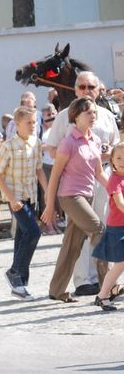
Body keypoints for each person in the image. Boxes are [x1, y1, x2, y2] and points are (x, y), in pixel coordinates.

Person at [44, 70, 120, 297]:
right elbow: (55, 171)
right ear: (76, 116)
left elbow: (100, 170)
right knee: (99, 230)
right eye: (82, 87)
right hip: (71, 193)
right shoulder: (67, 137)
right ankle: (105, 286)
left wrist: (115, 191)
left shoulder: (96, 135)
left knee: (72, 244)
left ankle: (56, 290)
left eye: (91, 87)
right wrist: (49, 205)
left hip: (93, 187)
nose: (92, 116)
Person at [0, 106, 48, 301]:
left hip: (31, 196)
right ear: (17, 124)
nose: (33, 126)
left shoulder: (36, 142)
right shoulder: (8, 146)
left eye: (34, 122)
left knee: (22, 236)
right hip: (15, 198)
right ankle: (15, 272)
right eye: (28, 122)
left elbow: (39, 170)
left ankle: (20, 284)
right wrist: (11, 198)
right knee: (34, 232)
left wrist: (47, 192)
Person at [91, 142, 124, 311]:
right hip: (118, 229)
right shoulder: (114, 180)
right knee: (120, 264)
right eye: (119, 158)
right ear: (111, 161)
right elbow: (120, 204)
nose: (122, 161)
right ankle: (102, 295)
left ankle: (104, 295)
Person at [39, 105, 60, 235]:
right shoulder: (40, 130)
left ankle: (55, 223)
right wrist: (49, 146)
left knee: (57, 196)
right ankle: (48, 225)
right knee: (47, 195)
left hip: (58, 165)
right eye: (48, 114)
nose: (51, 116)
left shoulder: (59, 128)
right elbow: (37, 146)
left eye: (53, 113)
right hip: (45, 165)